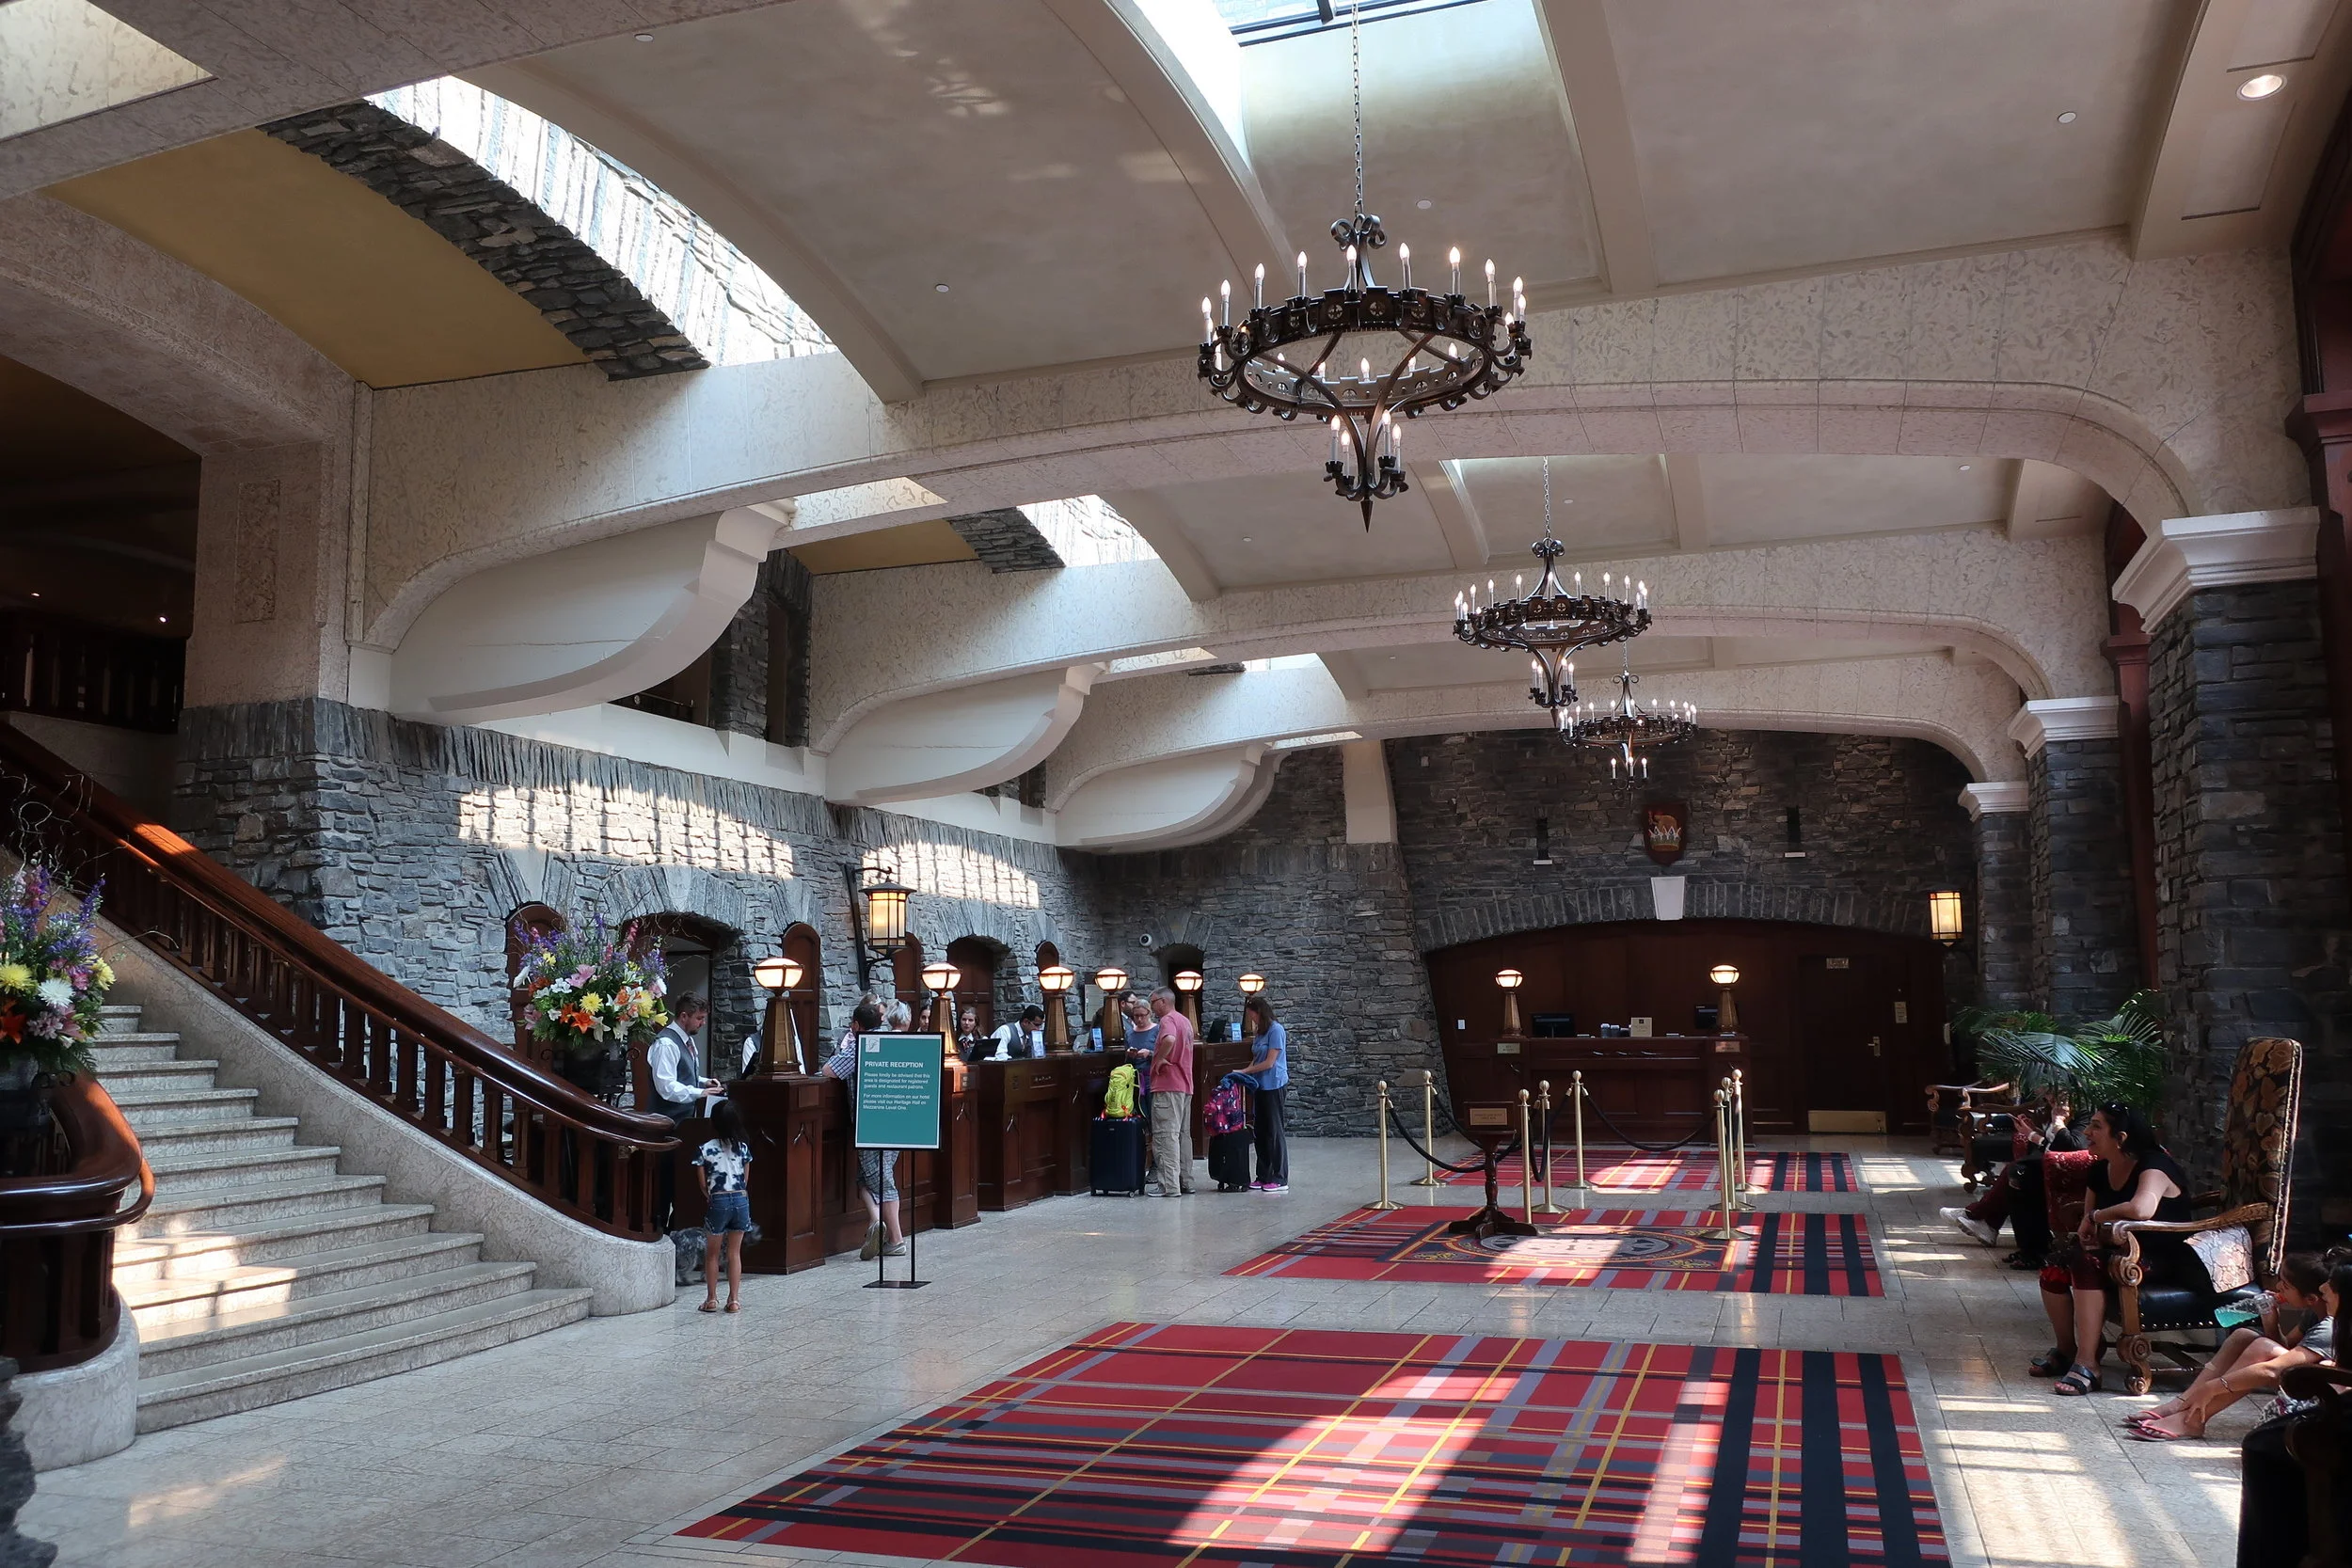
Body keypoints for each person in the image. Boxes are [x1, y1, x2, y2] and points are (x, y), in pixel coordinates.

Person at [2032, 1102, 2191, 1396]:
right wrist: (2090, 1232)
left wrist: (2096, 1217)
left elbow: (2141, 1209)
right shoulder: (2099, 1169)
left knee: (2086, 1264)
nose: (2086, 1132)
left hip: (2160, 1258)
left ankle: (2088, 1364)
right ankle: (2067, 1350)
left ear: (2121, 1137)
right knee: (2055, 1266)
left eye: (2096, 1126)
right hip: (2118, 1252)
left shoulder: (2154, 1164)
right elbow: (2088, 1222)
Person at [2129, 1252, 2333, 1440]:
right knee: (2244, 1335)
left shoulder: (2329, 1327)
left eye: (2286, 1286)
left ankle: (2193, 1420)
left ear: (2312, 1298)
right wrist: (2271, 1322)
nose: (2278, 1287)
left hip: (2320, 1391)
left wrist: (2214, 1387)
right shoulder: (2313, 1313)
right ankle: (2181, 1403)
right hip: (2300, 1374)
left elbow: (2273, 1368)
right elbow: (2286, 1350)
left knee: (2261, 1347)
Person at [2236, 1259, 2349, 1568]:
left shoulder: (2330, 1326)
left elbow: (2280, 1367)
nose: (2324, 1287)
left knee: (2265, 1446)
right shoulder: (2322, 1319)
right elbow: (2286, 1346)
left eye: (2331, 1287)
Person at [821, 1001, 906, 1259]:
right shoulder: (895, 1041)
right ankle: (876, 1222)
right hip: (898, 1120)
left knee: (882, 1180)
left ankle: (896, 1240)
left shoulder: (861, 1046)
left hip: (871, 1124)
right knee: (867, 1178)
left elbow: (828, 1070)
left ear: (856, 1025)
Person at [646, 995, 716, 1231]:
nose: (702, 1023)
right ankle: (659, 1228)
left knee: (680, 1180)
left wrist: (704, 1082)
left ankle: (678, 1228)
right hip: (667, 1126)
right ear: (683, 1016)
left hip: (683, 1126)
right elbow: (666, 1086)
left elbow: (683, 1074)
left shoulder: (686, 1040)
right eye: (699, 1018)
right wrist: (699, 1093)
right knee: (665, 1181)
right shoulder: (666, 1044)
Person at [693, 1099, 753, 1314]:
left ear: (713, 1123)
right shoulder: (743, 1148)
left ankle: (711, 1299)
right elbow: (745, 1179)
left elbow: (702, 1182)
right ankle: (734, 1300)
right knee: (734, 1253)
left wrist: (709, 1195)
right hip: (740, 1199)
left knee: (712, 1254)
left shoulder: (705, 1149)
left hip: (718, 1199)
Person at [1143, 987, 1196, 1197]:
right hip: (1185, 1085)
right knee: (1183, 1135)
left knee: (1165, 1136)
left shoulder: (1167, 1020)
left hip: (1167, 1085)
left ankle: (1169, 1186)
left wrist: (1160, 1058)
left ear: (1163, 1001)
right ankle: (1186, 1181)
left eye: (1153, 1002)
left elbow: (1170, 1039)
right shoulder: (1185, 1021)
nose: (1152, 1007)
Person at [1239, 995, 1289, 1193]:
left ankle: (1279, 1177)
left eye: (1252, 1014)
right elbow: (1257, 1058)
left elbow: (1269, 1062)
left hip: (1273, 1085)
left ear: (1259, 1012)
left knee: (1274, 1131)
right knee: (1260, 1132)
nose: (1251, 1019)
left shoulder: (1276, 1030)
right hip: (1259, 1085)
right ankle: (1263, 1175)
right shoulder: (1260, 1031)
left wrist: (1246, 1071)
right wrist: (1245, 1073)